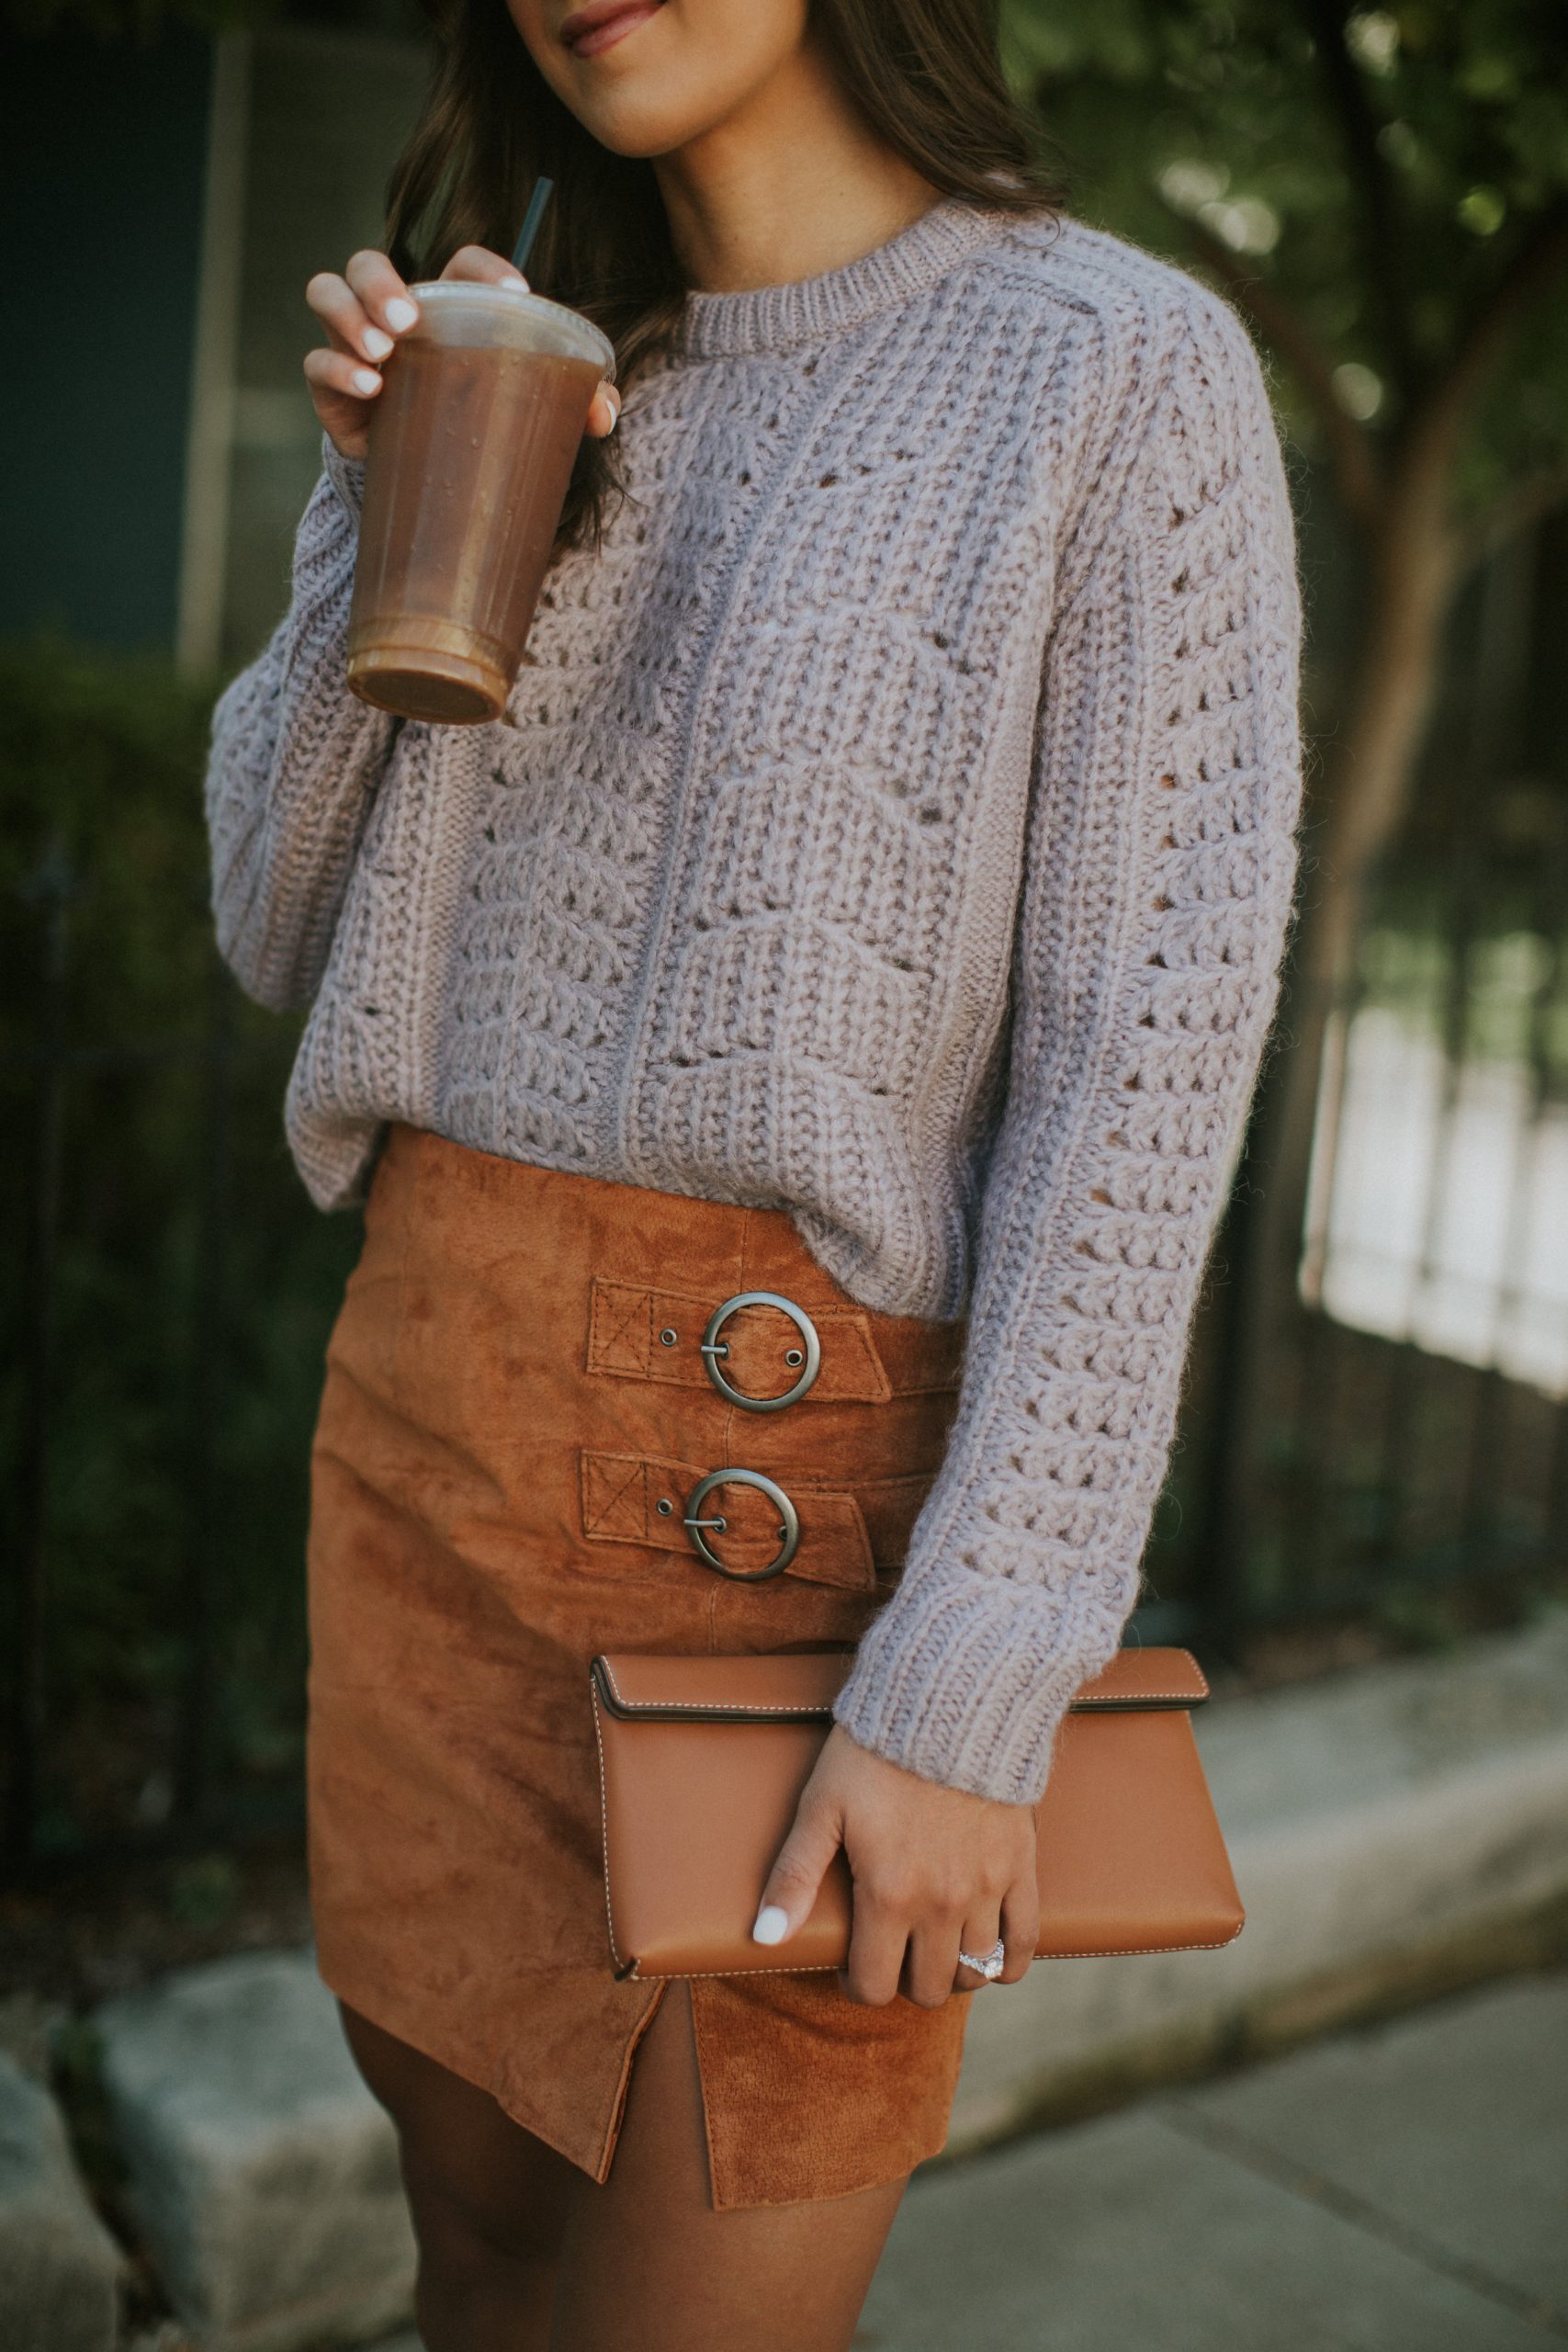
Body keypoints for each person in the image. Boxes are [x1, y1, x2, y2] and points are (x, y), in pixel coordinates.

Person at [204, 1, 1303, 2345]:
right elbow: (268, 911)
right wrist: (368, 517)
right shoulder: (542, 348)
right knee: (478, 2269)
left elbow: (1143, 1069)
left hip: (782, 1524)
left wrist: (976, 1665)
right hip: (427, 1440)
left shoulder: (1111, 369)